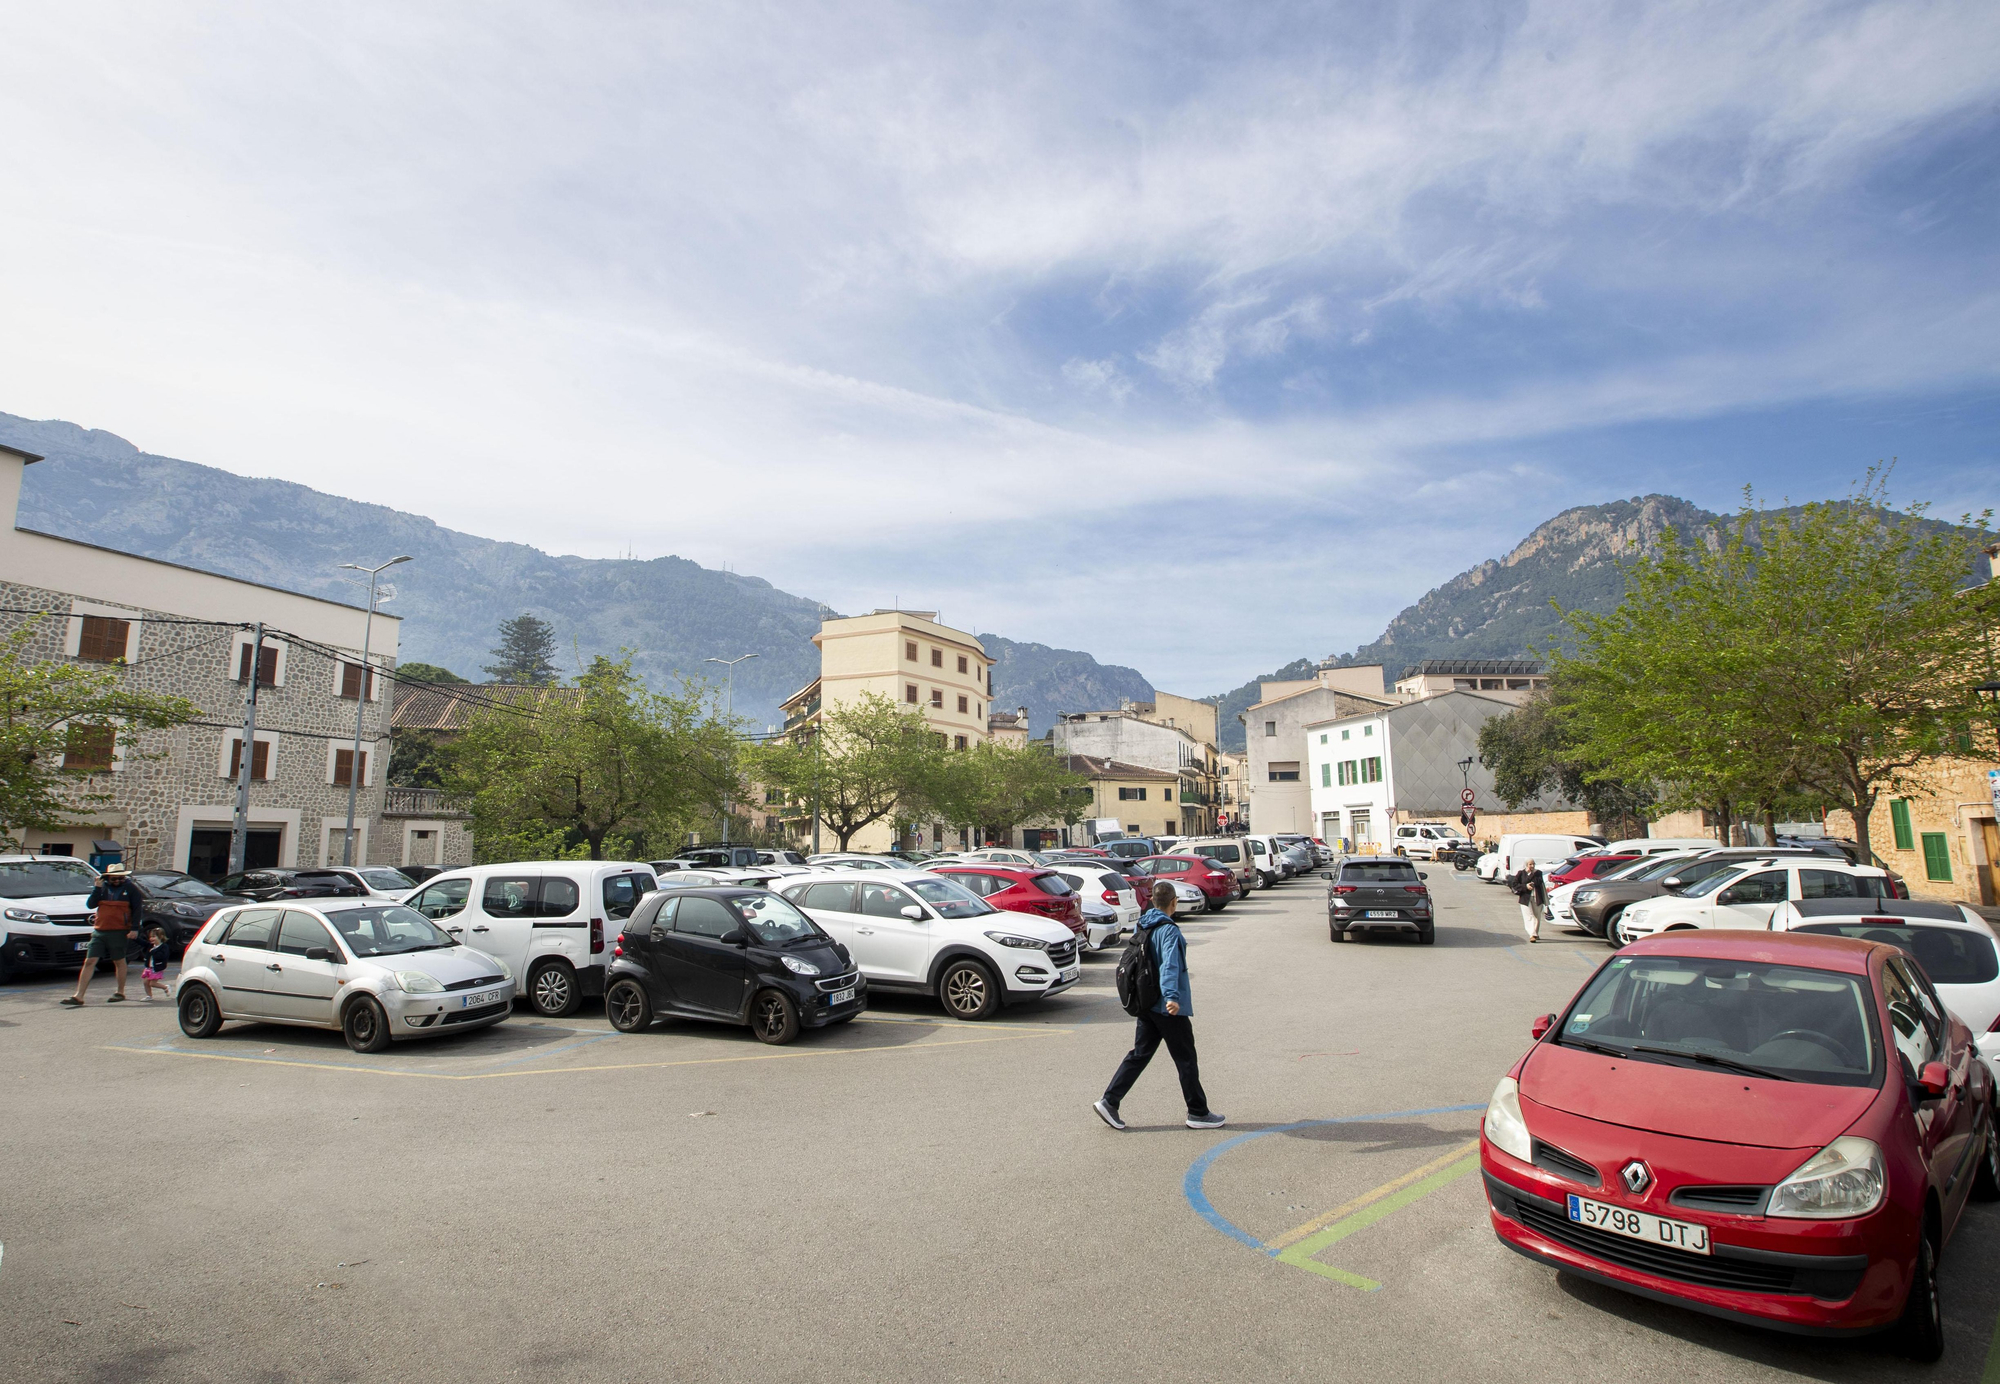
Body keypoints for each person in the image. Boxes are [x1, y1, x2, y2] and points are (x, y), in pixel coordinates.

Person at [1094, 882, 1225, 1131]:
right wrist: (1172, 997)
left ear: (1153, 902)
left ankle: (1109, 1101)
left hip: (1146, 1002)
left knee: (1140, 1054)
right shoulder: (1169, 931)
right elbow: (1169, 965)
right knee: (1186, 1058)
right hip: (1166, 1007)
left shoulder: (1143, 924)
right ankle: (1198, 1112)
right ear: (1174, 902)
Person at [63, 862, 145, 1007]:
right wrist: (97, 888)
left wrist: (134, 929)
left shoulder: (131, 889)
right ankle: (79, 996)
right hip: (100, 930)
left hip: (119, 931)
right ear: (107, 878)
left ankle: (120, 992)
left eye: (121, 878)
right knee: (89, 961)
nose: (118, 880)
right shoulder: (101, 888)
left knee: (119, 961)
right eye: (114, 878)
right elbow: (90, 904)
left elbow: (137, 909)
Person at [1509, 860, 1548, 943]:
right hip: (1525, 898)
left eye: (1533, 864)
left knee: (1537, 916)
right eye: (1530, 864)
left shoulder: (1538, 873)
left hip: (1537, 898)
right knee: (1529, 916)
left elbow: (1538, 882)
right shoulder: (1521, 873)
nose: (1532, 866)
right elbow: (1515, 885)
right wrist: (1526, 886)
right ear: (1526, 865)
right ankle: (1532, 934)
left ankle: (1535, 933)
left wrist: (1531, 874)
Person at [140, 925, 172, 1001]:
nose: (151, 939)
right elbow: (142, 943)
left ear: (161, 937)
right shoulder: (151, 946)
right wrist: (134, 938)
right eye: (150, 937)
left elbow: (162, 956)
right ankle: (149, 996)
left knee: (152, 983)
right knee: (145, 982)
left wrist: (153, 952)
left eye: (154, 937)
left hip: (157, 968)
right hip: (149, 967)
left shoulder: (164, 947)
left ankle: (166, 987)